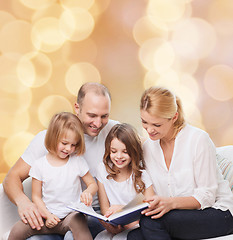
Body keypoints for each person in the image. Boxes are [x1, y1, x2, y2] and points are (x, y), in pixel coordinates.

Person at [3, 82, 118, 240]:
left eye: (104, 116)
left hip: (90, 213)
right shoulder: (47, 139)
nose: (98, 123)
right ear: (77, 108)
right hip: (50, 214)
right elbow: (12, 178)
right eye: (92, 115)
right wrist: (24, 203)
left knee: (74, 233)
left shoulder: (115, 133)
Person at [127, 86, 233, 240]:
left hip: (218, 213)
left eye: (157, 125)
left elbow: (207, 196)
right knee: (134, 237)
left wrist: (170, 203)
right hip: (179, 216)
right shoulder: (148, 148)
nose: (149, 130)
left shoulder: (198, 140)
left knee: (151, 223)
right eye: (144, 122)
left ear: (174, 117)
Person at [8, 112, 98, 240]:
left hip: (71, 216)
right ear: (53, 137)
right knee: (18, 229)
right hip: (47, 217)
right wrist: (47, 215)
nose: (68, 149)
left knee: (79, 222)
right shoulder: (40, 165)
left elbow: (92, 184)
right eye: (65, 143)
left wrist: (88, 192)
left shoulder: (77, 161)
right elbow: (36, 197)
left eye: (73, 145)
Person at [95, 123, 155, 240]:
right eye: (113, 151)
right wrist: (110, 224)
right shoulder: (102, 169)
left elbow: (150, 209)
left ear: (133, 151)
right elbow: (104, 209)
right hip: (114, 225)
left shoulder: (142, 175)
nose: (119, 156)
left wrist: (121, 208)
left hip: (137, 227)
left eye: (125, 152)